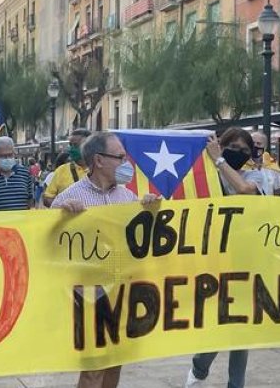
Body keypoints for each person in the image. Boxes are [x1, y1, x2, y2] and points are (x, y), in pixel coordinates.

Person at [52, 131, 158, 388]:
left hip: (122, 290)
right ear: (99, 160)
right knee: (93, 368)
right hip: (87, 293)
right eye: (120, 157)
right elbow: (47, 245)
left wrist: (150, 211)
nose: (126, 163)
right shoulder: (69, 198)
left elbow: (143, 241)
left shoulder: (128, 197)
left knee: (114, 361)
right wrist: (61, 217)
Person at [186, 128, 279, 388]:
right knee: (220, 321)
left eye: (245, 151)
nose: (239, 153)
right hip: (211, 260)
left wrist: (220, 160)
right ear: (220, 145)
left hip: (246, 260)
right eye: (233, 147)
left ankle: (235, 384)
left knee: (242, 326)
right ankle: (200, 365)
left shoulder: (255, 176)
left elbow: (244, 190)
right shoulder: (202, 177)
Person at [0, 135, 36, 212]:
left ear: (14, 153)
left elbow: (30, 202)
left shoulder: (25, 173)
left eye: (10, 155)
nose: (7, 158)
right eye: (3, 156)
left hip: (21, 223)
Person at [42, 128, 91, 206]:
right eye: (70, 145)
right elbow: (47, 199)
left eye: (75, 145)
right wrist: (62, 205)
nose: (71, 149)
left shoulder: (99, 170)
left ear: (89, 146)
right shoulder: (61, 170)